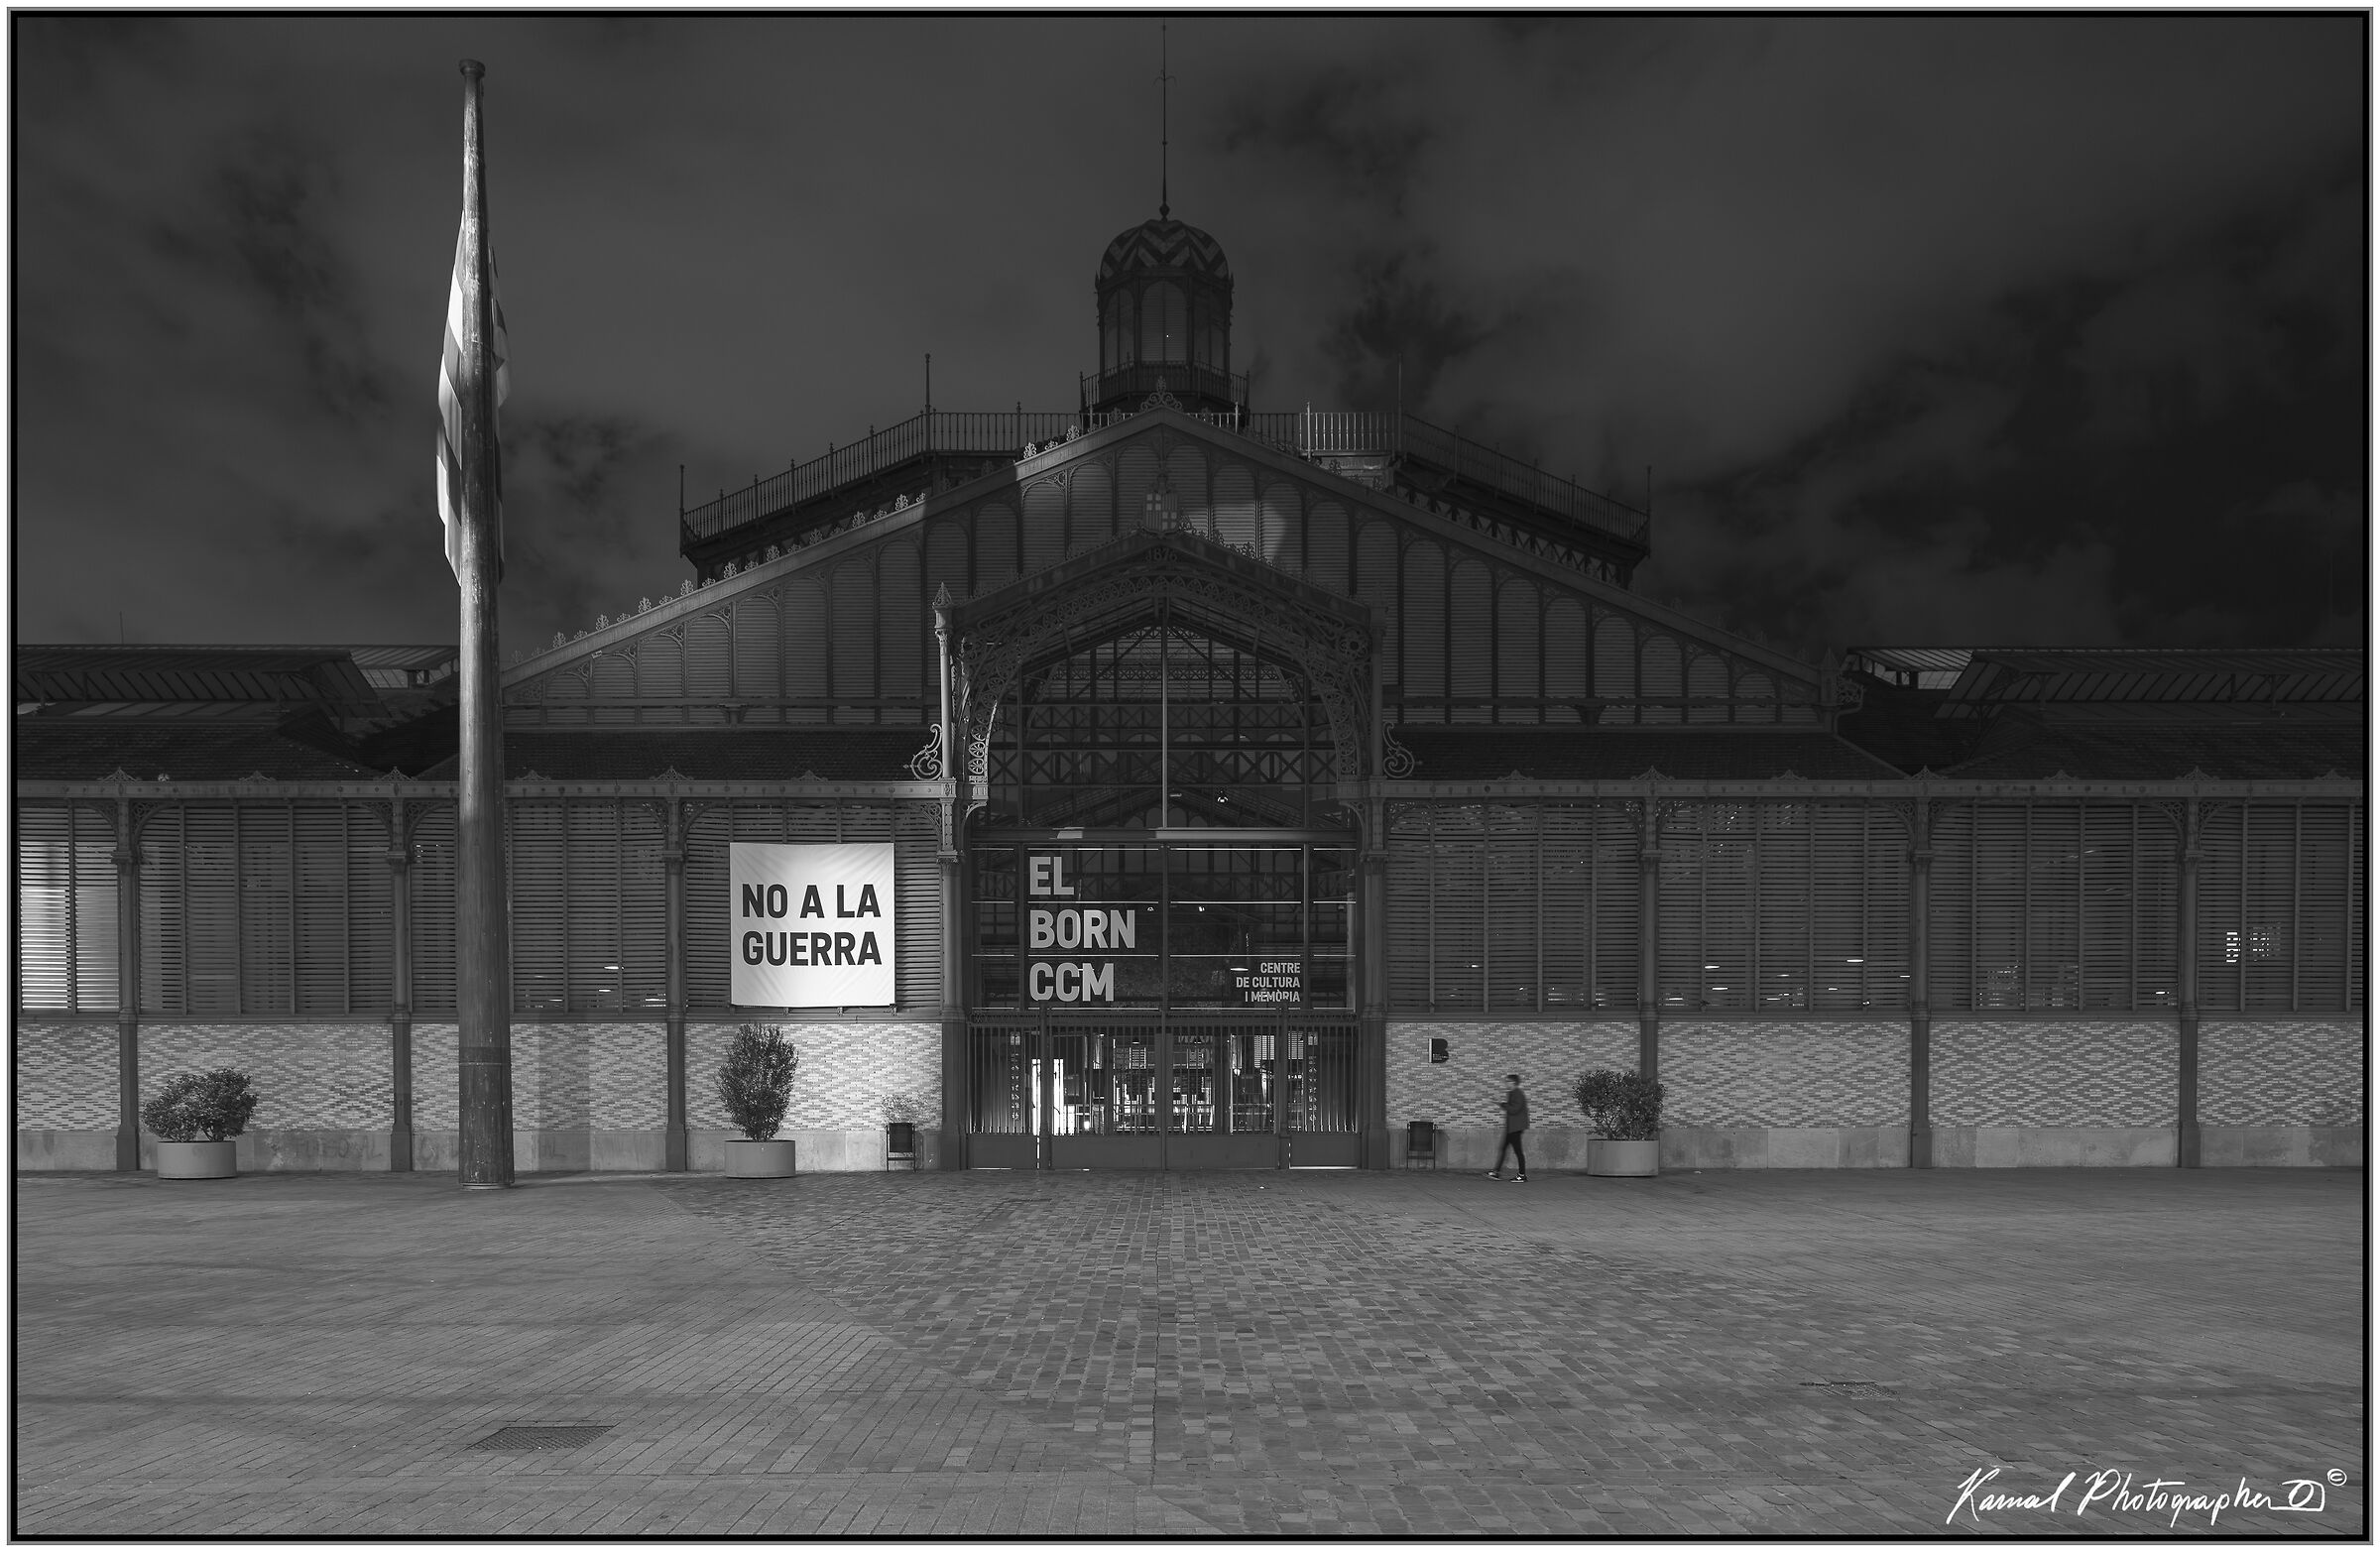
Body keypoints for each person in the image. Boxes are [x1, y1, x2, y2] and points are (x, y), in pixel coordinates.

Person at [1487, 1073, 1528, 1182]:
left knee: (1518, 1151)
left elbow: (1514, 1109)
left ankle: (1522, 1175)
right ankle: (1496, 1172)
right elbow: (1511, 1108)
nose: (1506, 1083)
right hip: (1511, 1127)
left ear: (1513, 1082)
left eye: (1507, 1081)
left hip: (1516, 1127)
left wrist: (1502, 1104)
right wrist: (1501, 1104)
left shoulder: (1518, 1093)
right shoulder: (1512, 1093)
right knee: (1503, 1149)